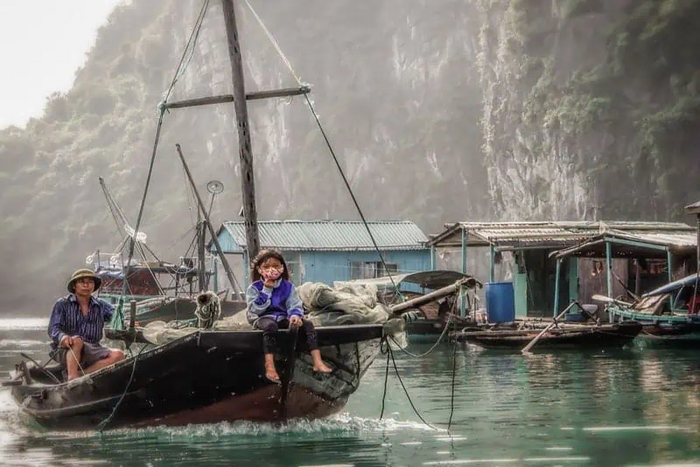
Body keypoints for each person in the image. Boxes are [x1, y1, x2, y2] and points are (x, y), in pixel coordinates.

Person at [246, 249, 332, 383]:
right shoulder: (254, 288)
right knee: (270, 326)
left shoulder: (288, 286)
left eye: (275, 266)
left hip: (282, 317)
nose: (271, 270)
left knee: (307, 324)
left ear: (282, 268)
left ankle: (317, 360)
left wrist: (295, 315)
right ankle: (269, 365)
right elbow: (255, 309)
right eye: (266, 267)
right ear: (259, 269)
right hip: (262, 318)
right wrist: (267, 290)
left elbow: (294, 303)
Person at [48, 268, 126, 381]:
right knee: (77, 340)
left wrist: (126, 323)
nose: (86, 285)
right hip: (66, 349)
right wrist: (63, 337)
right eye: (82, 282)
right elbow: (53, 329)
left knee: (119, 355)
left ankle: (81, 375)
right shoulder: (62, 304)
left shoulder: (101, 305)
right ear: (74, 286)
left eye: (90, 282)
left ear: (94, 286)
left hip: (93, 349)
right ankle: (72, 378)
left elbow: (117, 319)